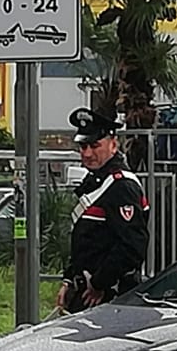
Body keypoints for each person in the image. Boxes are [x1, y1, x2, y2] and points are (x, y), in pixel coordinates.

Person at [58, 108, 149, 313]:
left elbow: (132, 246)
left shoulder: (121, 186)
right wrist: (69, 280)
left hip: (109, 296)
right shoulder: (96, 180)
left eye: (94, 146)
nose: (87, 153)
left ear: (113, 145)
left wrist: (100, 283)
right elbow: (86, 242)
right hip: (86, 291)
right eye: (83, 146)